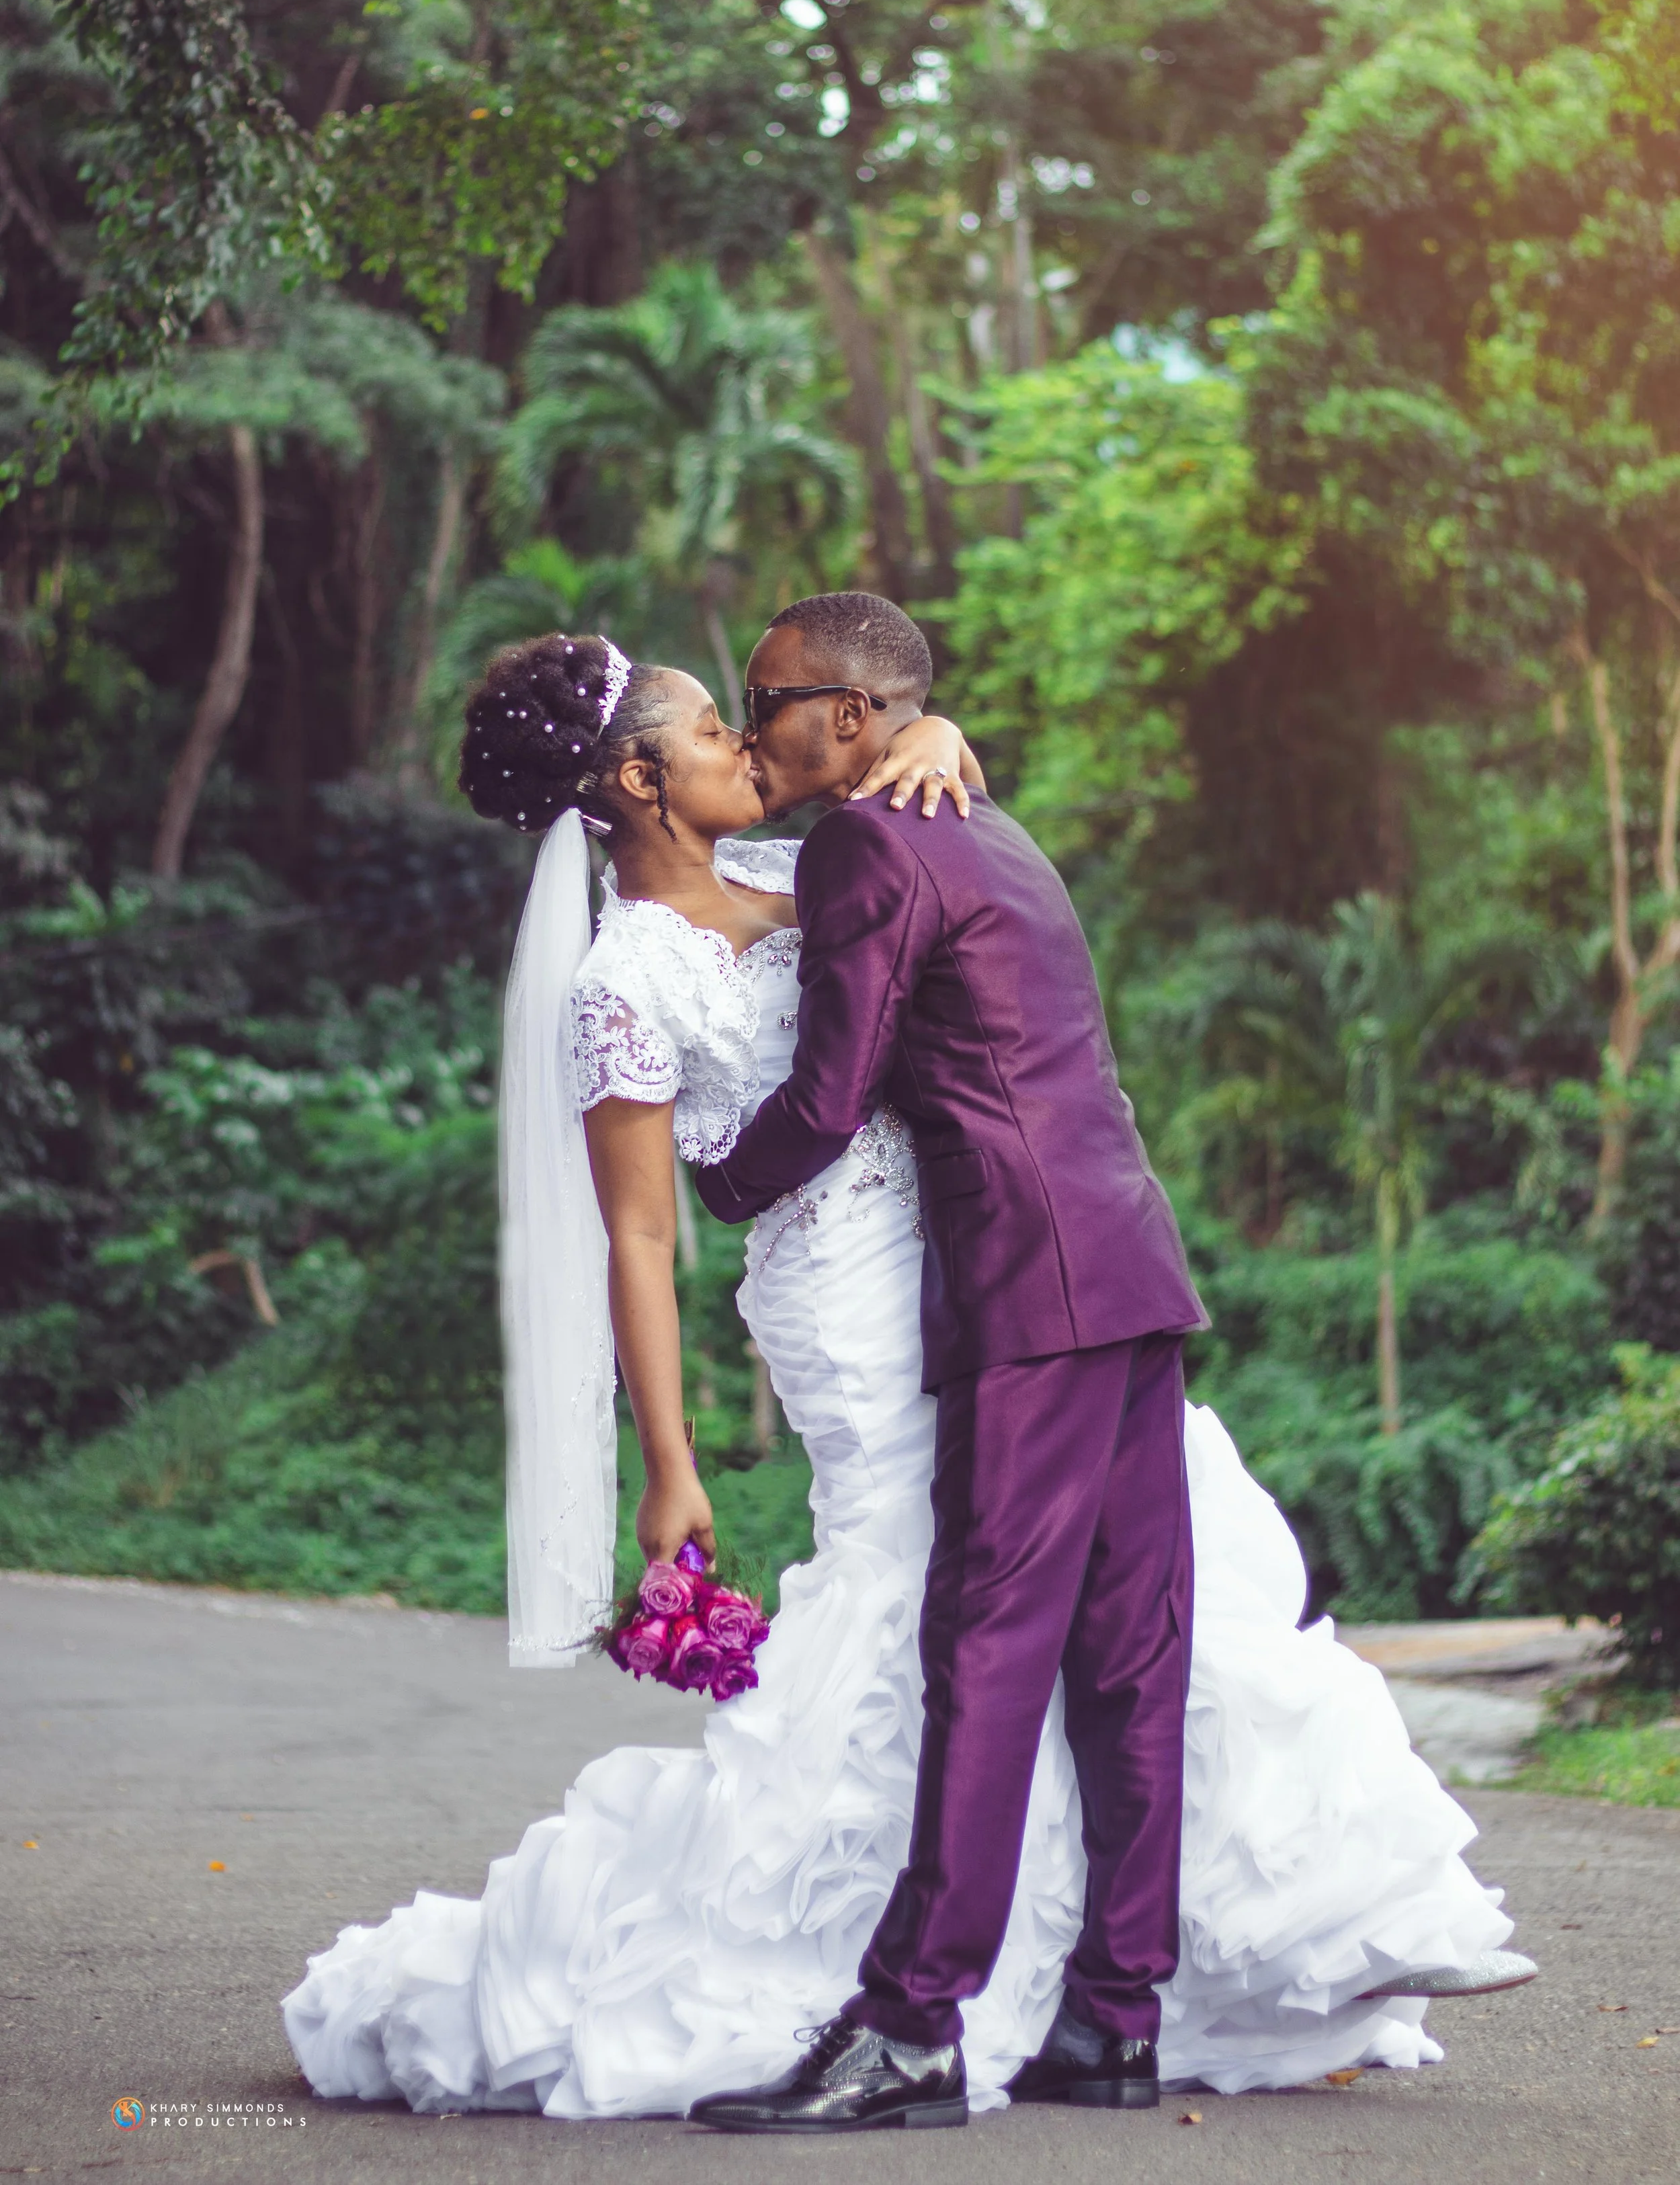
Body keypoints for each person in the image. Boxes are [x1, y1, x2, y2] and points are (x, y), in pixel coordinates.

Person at [282, 608, 1531, 2129]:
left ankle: (956, 2017)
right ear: (629, 784)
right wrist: (668, 1460)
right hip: (907, 1292)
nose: (741, 739)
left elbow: (872, 964)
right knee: (994, 1622)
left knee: (1012, 1635)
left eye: (759, 711)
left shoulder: (815, 862)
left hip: (992, 1272)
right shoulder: (625, 980)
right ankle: (1047, 2011)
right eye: (709, 724)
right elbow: (633, 1237)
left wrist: (920, 734)